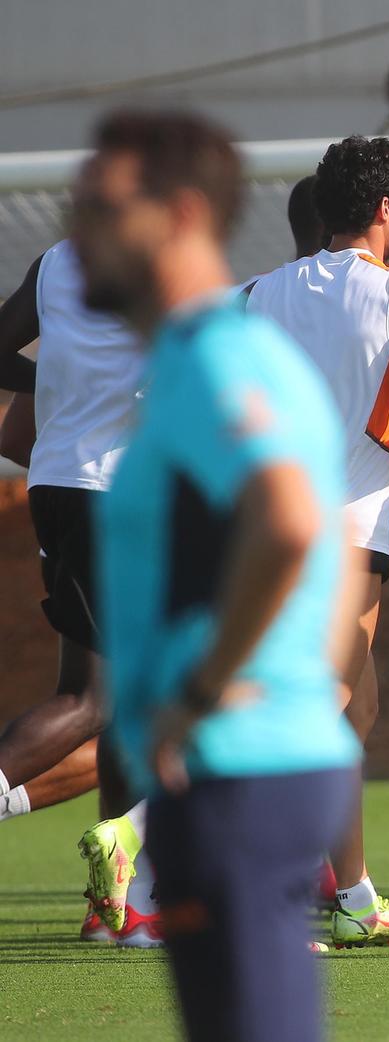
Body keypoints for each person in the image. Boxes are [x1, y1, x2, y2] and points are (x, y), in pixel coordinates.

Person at [74, 107, 359, 1042]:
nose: (78, 228)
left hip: (239, 771)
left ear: (183, 213)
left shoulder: (217, 359)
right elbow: (335, 549)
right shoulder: (204, 360)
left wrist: (206, 688)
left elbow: (286, 518)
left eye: (102, 205)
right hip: (249, 764)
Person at [245, 136, 389, 947]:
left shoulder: (258, 294)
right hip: (343, 536)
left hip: (266, 533)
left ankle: (352, 897)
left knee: (353, 704)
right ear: (383, 209)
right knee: (326, 711)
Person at [0, 235, 150, 943]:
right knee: (94, 700)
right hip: (112, 493)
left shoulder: (60, 258)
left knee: (120, 703)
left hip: (57, 480)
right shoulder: (164, 261)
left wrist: (56, 381)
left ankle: (114, 908)